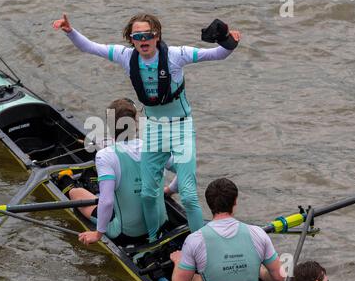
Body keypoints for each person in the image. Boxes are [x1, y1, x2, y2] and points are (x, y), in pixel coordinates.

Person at [53, 13, 240, 240]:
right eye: (138, 36)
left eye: (148, 35)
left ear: (157, 36)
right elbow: (90, 48)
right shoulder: (125, 56)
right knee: (148, 195)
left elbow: (218, 54)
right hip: (153, 128)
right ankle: (153, 238)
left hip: (181, 128)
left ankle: (201, 248)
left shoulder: (175, 55)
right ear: (131, 39)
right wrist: (70, 31)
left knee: (190, 196)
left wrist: (229, 40)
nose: (144, 40)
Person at [57, 98, 173, 246]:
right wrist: (170, 189)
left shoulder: (106, 155)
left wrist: (98, 234)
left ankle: (67, 181)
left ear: (110, 125)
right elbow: (184, 173)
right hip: (161, 226)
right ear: (136, 122)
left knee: (77, 193)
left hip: (126, 234)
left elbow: (107, 201)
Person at [169, 178, 284, 281]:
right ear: (235, 201)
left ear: (209, 204)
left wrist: (178, 261)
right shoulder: (258, 233)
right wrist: (258, 271)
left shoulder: (194, 240)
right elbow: (279, 276)